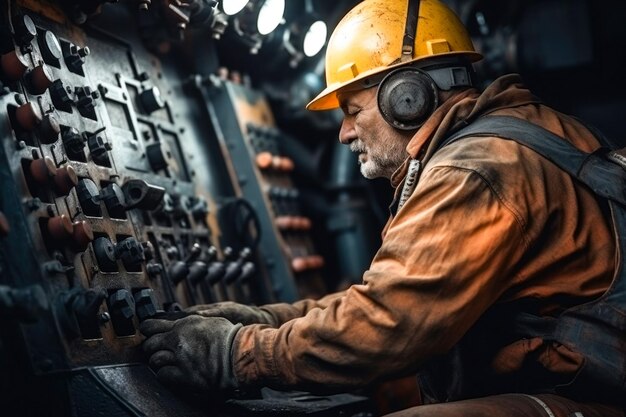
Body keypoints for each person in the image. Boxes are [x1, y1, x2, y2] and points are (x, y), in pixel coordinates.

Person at [140, 0, 625, 415]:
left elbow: (388, 325)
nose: (345, 133)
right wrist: (267, 321)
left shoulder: (476, 169)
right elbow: (386, 298)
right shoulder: (504, 138)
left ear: (407, 98)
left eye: (353, 111)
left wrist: (234, 355)